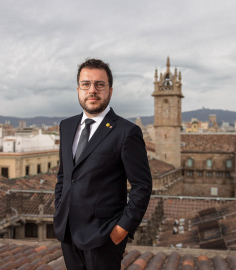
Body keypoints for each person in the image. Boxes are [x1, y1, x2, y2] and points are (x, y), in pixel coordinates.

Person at [53, 58, 152, 270]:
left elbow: (142, 186)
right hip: (68, 232)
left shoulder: (126, 132)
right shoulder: (67, 126)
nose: (92, 90)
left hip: (104, 236)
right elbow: (64, 175)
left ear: (110, 90)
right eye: (86, 84)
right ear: (78, 89)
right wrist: (60, 209)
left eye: (100, 84)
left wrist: (122, 229)